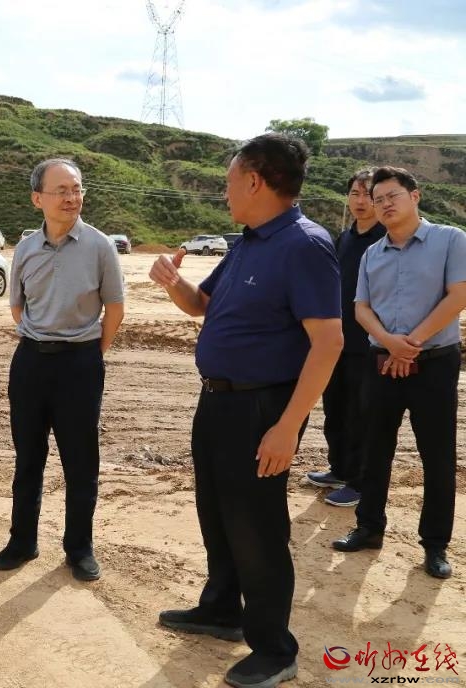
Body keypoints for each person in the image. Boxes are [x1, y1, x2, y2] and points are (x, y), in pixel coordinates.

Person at [148, 133, 342, 688]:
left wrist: (287, 427)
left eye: (229, 181)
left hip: (262, 407)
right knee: (217, 511)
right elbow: (202, 306)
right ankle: (221, 609)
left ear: (255, 181)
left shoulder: (304, 245)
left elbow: (328, 343)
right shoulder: (248, 242)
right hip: (217, 399)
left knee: (256, 526)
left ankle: (275, 648)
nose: (225, 191)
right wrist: (174, 283)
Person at [0, 158, 124, 582]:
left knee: (80, 461)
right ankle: (22, 541)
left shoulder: (100, 246)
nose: (72, 197)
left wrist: (89, 353)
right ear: (38, 199)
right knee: (28, 457)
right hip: (30, 362)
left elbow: (115, 310)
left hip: (80, 365)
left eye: (77, 189)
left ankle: (79, 549)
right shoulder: (26, 248)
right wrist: (42, 338)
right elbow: (17, 307)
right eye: (62, 190)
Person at [331, 166, 466, 580]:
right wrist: (391, 343)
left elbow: (458, 295)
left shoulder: (450, 239)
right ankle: (369, 528)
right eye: (378, 199)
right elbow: (361, 308)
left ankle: (435, 544)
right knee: (374, 449)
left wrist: (411, 343)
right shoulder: (372, 253)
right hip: (381, 361)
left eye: (392, 196)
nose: (384, 204)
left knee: (437, 456)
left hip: (434, 363)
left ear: (415, 196)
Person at [306, 169, 385, 507]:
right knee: (334, 409)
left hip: (367, 344)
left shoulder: (386, 240)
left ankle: (359, 482)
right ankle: (339, 469)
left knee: (360, 415)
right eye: (355, 193)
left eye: (368, 194)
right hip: (336, 341)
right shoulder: (344, 238)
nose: (360, 201)